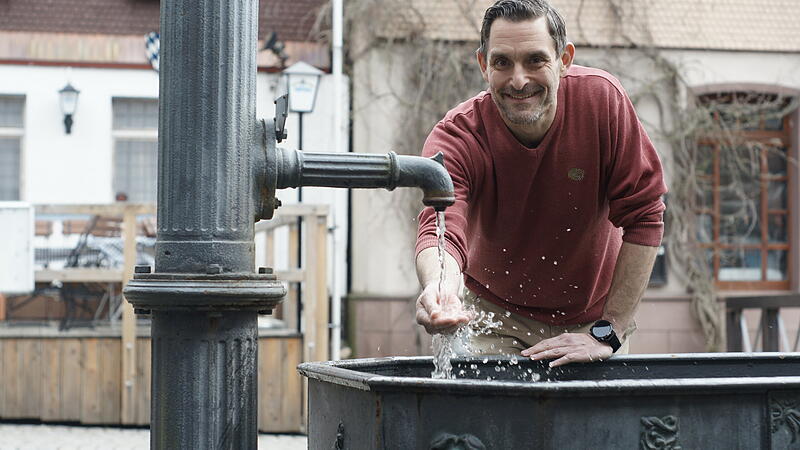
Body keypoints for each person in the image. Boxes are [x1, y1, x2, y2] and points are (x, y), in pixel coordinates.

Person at [414, 0, 666, 367]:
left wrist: (610, 329)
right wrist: (440, 287)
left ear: (564, 60)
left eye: (535, 60)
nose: (519, 80)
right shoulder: (458, 135)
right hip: (493, 318)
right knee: (492, 424)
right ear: (484, 65)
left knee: (596, 426)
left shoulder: (602, 102)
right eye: (502, 62)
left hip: (592, 320)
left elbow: (644, 215)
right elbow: (442, 229)